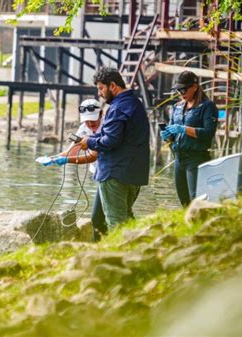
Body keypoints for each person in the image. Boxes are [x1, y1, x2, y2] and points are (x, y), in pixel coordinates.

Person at [79, 67, 150, 231]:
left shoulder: (117, 107)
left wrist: (89, 142)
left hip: (115, 173)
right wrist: (92, 139)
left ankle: (118, 255)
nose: (100, 94)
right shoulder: (135, 103)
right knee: (127, 218)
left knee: (115, 222)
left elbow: (111, 140)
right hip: (134, 173)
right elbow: (119, 136)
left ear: (112, 85)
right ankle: (139, 251)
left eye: (101, 88)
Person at [40, 99, 108, 241]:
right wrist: (53, 158)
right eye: (87, 121)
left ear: (101, 114)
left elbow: (93, 156)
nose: (90, 125)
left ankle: (102, 246)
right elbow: (71, 151)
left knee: (100, 216)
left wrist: (66, 160)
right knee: (100, 216)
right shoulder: (84, 128)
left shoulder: (107, 127)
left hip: (108, 173)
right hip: (99, 174)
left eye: (93, 121)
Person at [161, 70, 218, 206]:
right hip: (178, 159)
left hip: (196, 158)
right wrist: (167, 136)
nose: (181, 93)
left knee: (196, 200)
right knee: (184, 201)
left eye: (184, 90)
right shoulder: (177, 107)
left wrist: (184, 129)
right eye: (178, 90)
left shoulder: (207, 106)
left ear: (194, 87)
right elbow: (172, 135)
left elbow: (208, 133)